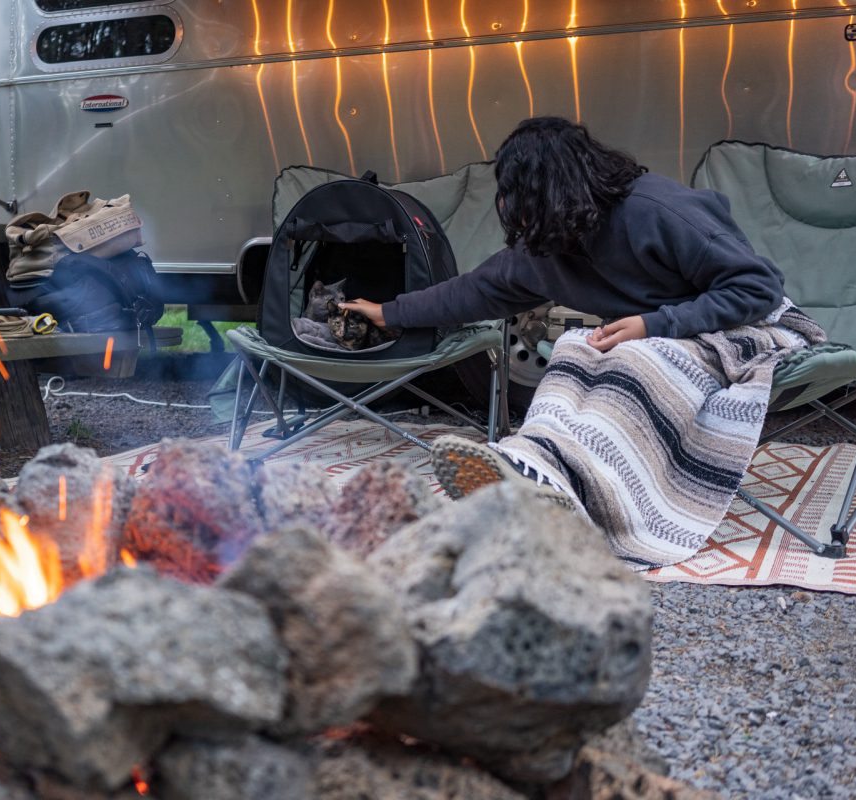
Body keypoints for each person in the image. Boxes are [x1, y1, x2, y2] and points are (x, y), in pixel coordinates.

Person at [341, 116, 826, 569]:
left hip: (747, 330)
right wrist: (389, 312)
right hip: (658, 340)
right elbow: (473, 291)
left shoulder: (656, 209)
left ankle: (599, 498)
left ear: (545, 188)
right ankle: (535, 469)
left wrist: (654, 323)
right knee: (576, 347)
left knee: (634, 357)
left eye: (511, 190)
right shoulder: (548, 244)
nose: (505, 205)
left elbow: (757, 288)